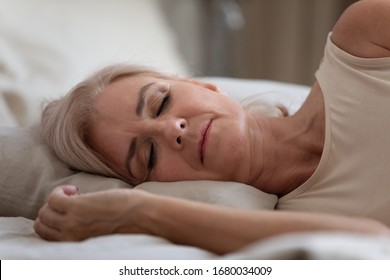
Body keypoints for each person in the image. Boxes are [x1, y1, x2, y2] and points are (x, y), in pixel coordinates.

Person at [34, 0, 390, 254]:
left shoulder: (362, 47)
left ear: (204, 86)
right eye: (149, 155)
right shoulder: (281, 231)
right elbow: (372, 244)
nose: (171, 130)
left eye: (161, 103)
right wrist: (135, 213)